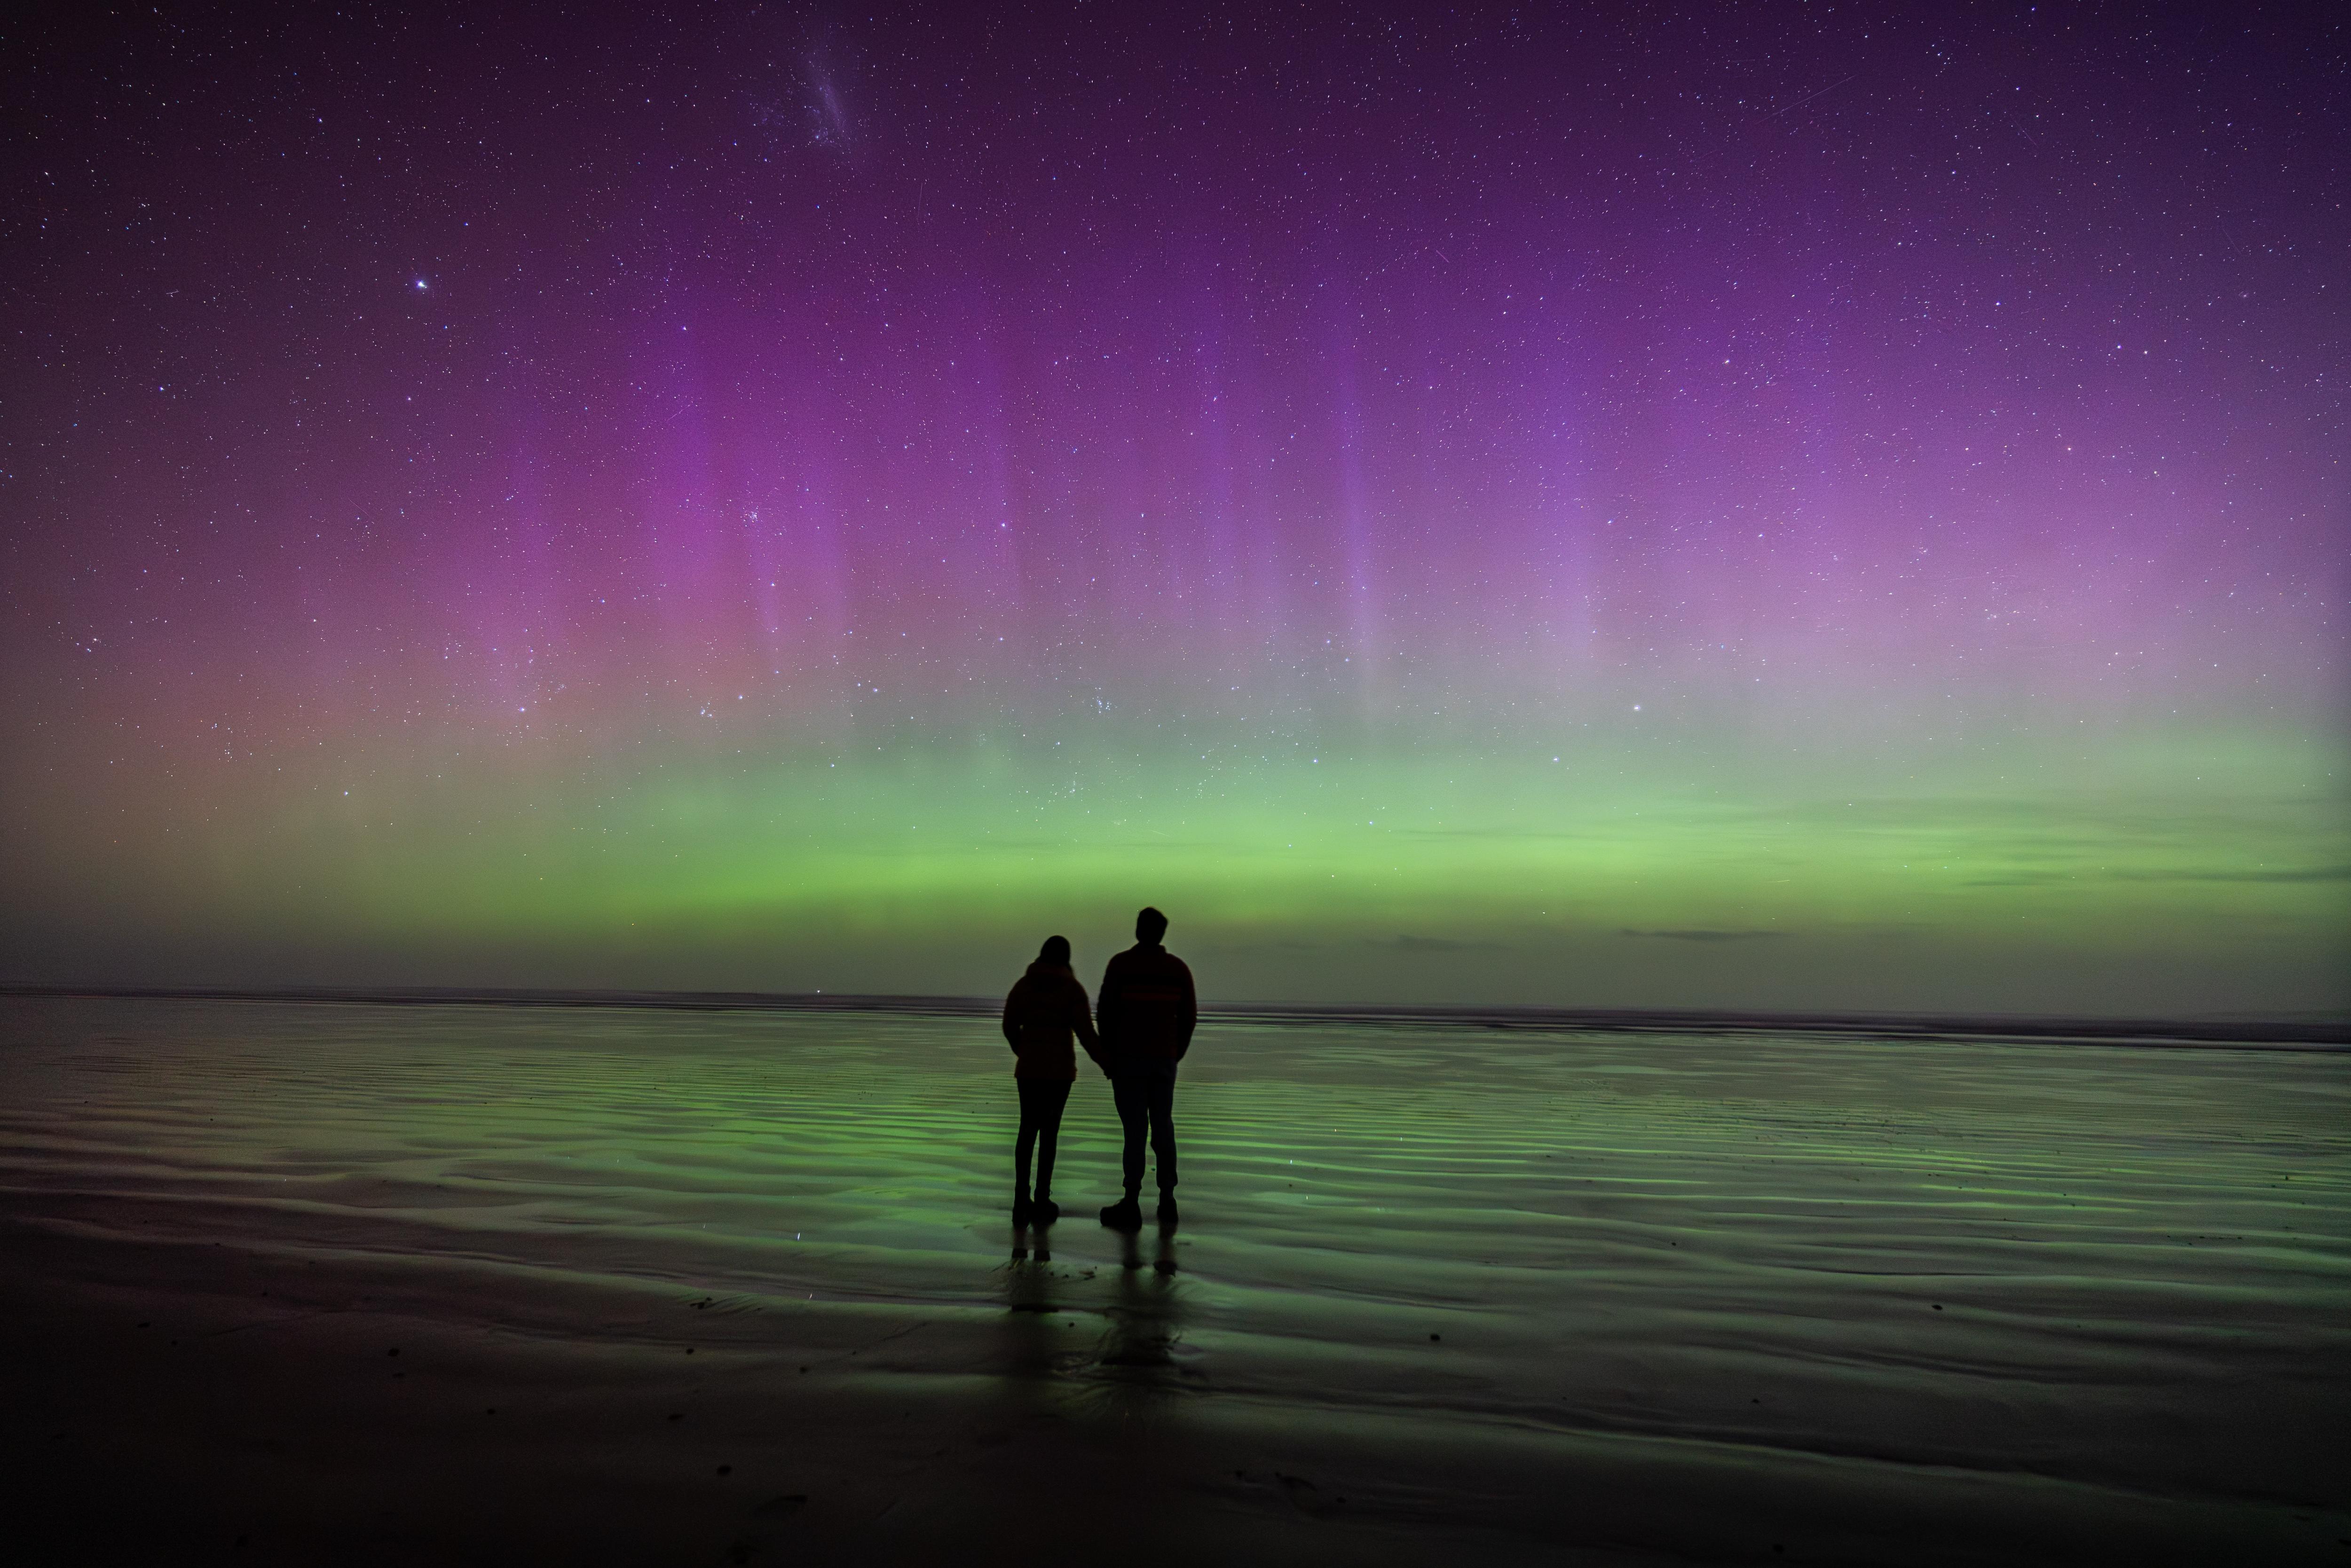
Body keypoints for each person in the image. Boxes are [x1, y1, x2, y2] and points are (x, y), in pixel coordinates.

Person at [1095, 906, 1197, 1229]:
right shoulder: (1178, 969)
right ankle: (1167, 1198)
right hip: (1163, 1061)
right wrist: (1174, 1053)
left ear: (1139, 930)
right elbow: (1189, 1018)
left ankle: (1132, 1201)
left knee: (1135, 1132)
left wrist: (1109, 1055)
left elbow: (1105, 1013)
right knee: (1163, 1126)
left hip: (1128, 1061)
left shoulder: (1121, 965)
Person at [1000, 934, 1104, 1224]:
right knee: (1049, 1134)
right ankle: (1043, 1198)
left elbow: (1009, 1025)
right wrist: (1108, 1064)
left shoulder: (1024, 986)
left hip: (1030, 1068)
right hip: (1059, 1073)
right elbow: (1086, 1035)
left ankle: (1021, 1197)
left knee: (1027, 1130)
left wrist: (1022, 1050)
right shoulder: (1072, 989)